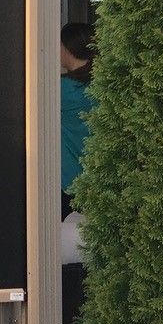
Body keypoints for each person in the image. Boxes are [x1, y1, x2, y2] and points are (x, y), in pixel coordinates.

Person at [60, 22, 96, 220]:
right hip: (95, 181)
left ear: (68, 48)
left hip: (67, 181)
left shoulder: (62, 90)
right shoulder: (100, 86)